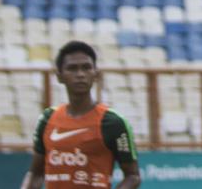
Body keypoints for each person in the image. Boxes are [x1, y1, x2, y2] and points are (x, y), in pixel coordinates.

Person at [20, 41, 141, 189]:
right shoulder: (47, 119)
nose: (80, 74)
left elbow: (133, 176)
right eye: (72, 68)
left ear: (95, 74)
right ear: (59, 76)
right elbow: (36, 173)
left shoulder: (113, 122)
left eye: (86, 67)